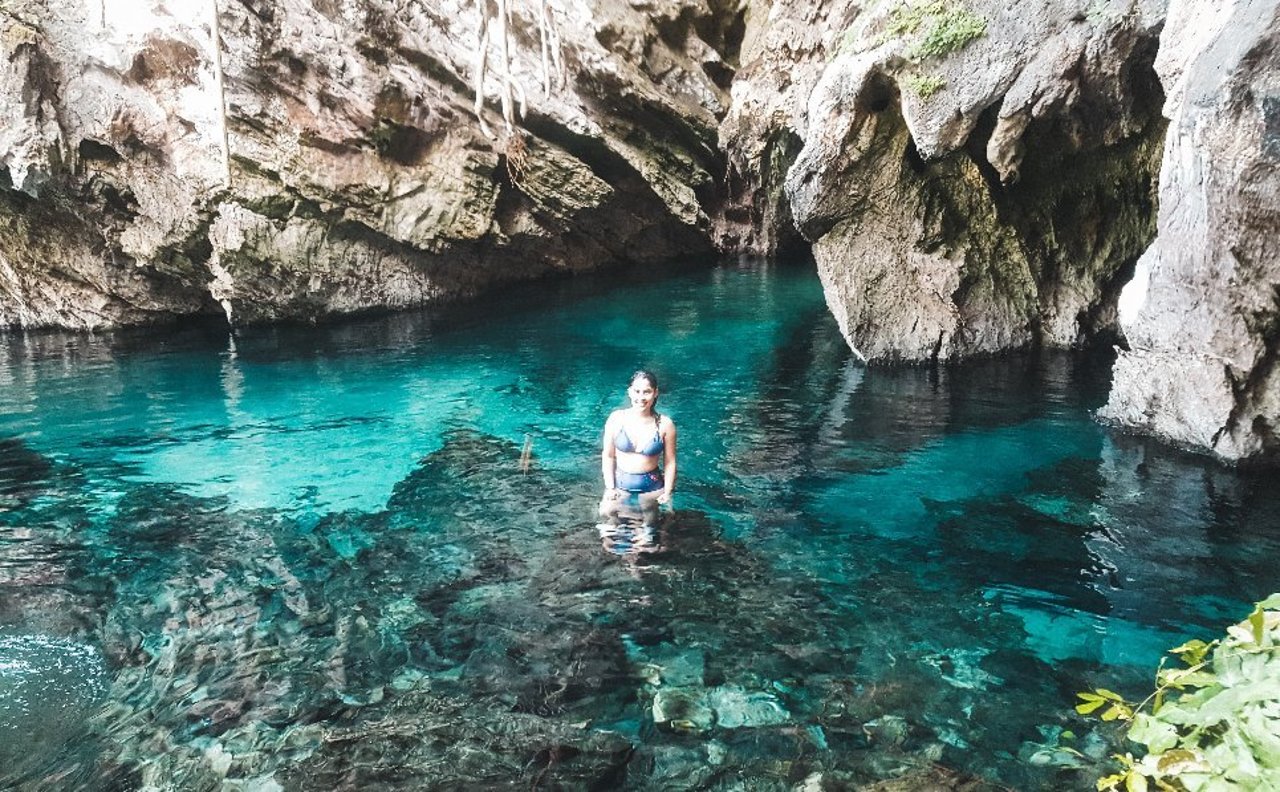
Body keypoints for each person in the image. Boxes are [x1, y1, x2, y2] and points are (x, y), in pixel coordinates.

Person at [600, 370, 677, 528]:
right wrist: (610, 487)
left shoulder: (665, 424)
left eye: (647, 392)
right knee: (607, 520)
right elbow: (608, 456)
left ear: (655, 393)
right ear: (629, 392)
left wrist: (668, 492)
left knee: (650, 536)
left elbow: (670, 461)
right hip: (619, 486)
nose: (641, 398)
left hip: (652, 488)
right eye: (637, 391)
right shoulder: (616, 419)